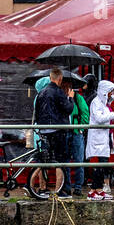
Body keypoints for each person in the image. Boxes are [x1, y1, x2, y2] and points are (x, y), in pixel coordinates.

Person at [33, 69, 74, 197]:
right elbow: (68, 109)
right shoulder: (58, 92)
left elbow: (37, 112)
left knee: (43, 159)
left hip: (44, 131)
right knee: (60, 160)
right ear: (60, 79)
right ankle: (60, 190)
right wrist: (70, 98)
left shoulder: (41, 93)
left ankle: (33, 185)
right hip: (57, 130)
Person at [85, 80, 114, 201]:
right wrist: (113, 114)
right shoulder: (96, 102)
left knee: (103, 164)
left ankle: (98, 189)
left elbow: (107, 118)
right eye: (111, 91)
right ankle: (93, 190)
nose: (112, 94)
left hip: (104, 137)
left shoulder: (104, 103)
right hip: (97, 137)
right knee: (98, 165)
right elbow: (99, 118)